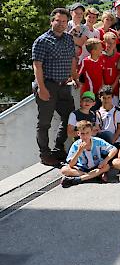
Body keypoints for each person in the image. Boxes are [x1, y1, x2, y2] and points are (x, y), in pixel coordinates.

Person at [33, 8, 77, 165]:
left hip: (64, 85)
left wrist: (75, 77)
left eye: (64, 21)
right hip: (48, 85)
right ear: (52, 21)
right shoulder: (42, 41)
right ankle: (45, 154)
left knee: (70, 117)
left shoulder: (68, 39)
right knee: (44, 122)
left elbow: (72, 59)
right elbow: (37, 66)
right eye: (58, 21)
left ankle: (58, 149)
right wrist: (41, 88)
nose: (61, 24)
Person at [60, 121, 118, 188]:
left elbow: (114, 149)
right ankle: (91, 176)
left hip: (97, 166)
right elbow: (71, 164)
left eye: (87, 133)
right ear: (78, 133)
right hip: (82, 168)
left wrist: (105, 160)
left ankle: (80, 179)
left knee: (107, 166)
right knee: (64, 170)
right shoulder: (75, 145)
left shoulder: (98, 142)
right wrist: (79, 152)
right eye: (82, 134)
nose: (85, 136)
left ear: (91, 132)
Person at [99, 32, 120, 106]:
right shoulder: (100, 56)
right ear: (104, 43)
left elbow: (119, 73)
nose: (110, 45)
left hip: (114, 90)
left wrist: (113, 86)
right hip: (102, 89)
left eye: (112, 43)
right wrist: (103, 86)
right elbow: (100, 73)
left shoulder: (119, 56)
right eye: (108, 43)